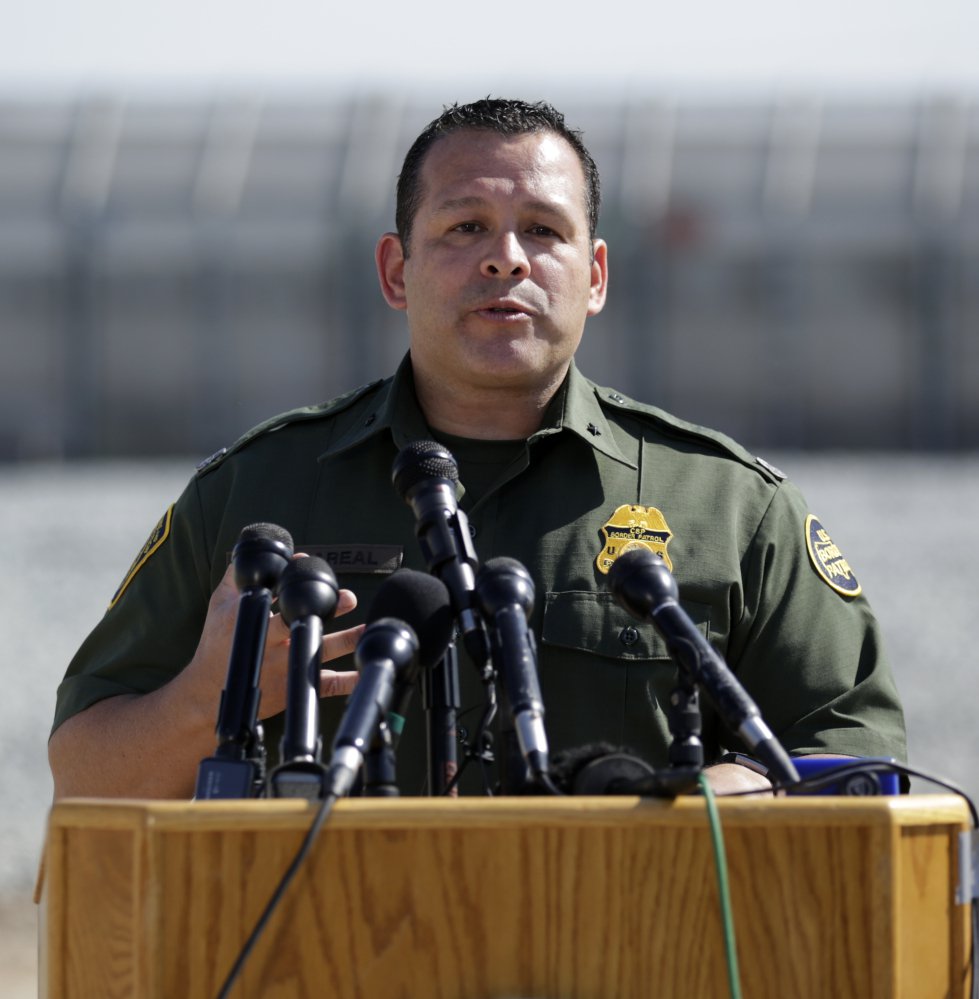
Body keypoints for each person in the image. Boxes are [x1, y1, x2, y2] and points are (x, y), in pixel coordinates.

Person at [48, 98, 906, 800]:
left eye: (542, 229)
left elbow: (858, 756)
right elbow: (85, 772)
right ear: (395, 271)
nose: (506, 260)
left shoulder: (727, 508)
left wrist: (677, 803)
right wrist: (209, 701)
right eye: (464, 228)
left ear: (596, 275)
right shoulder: (255, 500)